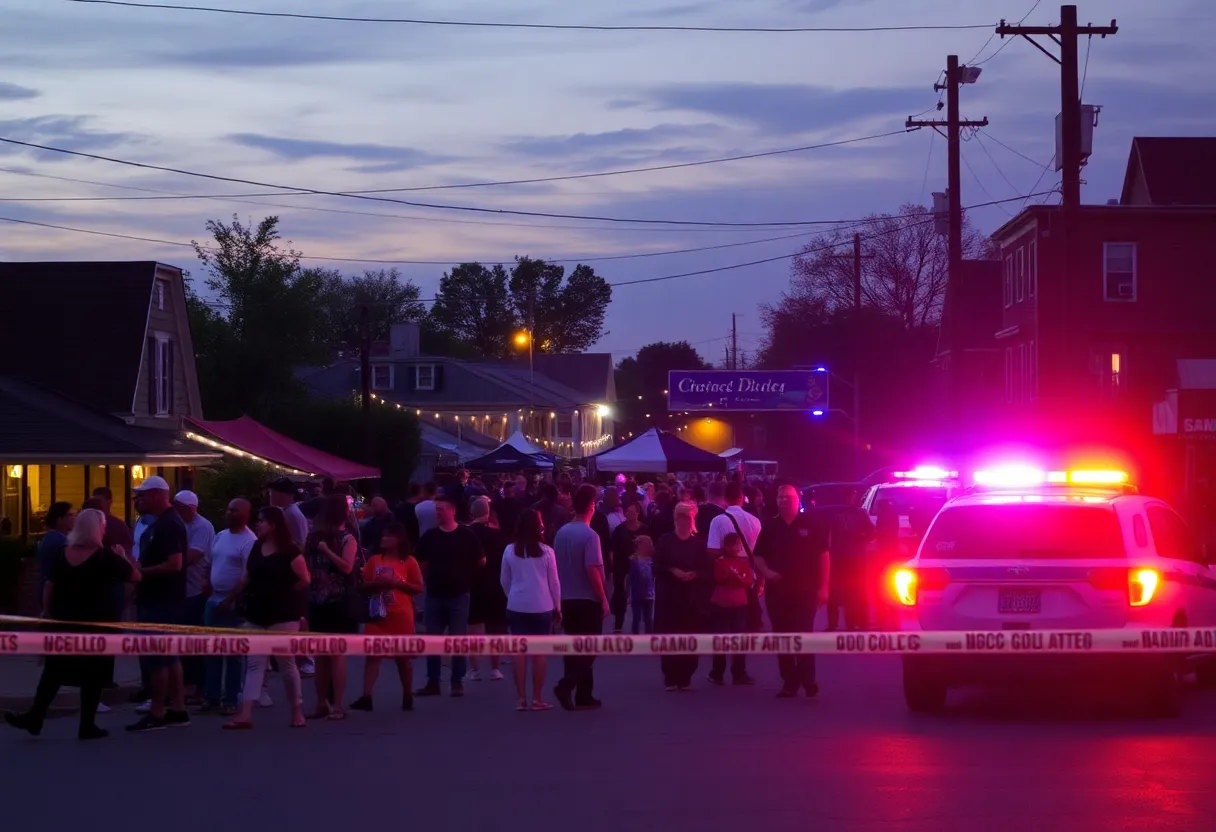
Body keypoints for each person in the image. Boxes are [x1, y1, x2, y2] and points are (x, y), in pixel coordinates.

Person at [4, 509, 140, 740]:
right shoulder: (105, 557)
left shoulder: (63, 553)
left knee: (54, 671)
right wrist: (123, 557)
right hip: (95, 622)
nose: (105, 529)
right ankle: (86, 724)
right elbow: (135, 576)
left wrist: (46, 612)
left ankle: (36, 716)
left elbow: (50, 585)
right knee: (92, 673)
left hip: (64, 620)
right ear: (97, 529)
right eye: (103, 525)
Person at [219, 506, 310, 730]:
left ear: (274, 524)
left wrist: (285, 593)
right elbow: (247, 577)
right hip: (257, 614)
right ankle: (245, 714)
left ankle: (296, 710)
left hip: (283, 616)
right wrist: (231, 598)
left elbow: (305, 579)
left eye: (261, 521)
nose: (257, 524)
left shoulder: (290, 551)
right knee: (254, 664)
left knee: (287, 665)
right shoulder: (257, 547)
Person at [126, 476, 191, 733]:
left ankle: (157, 711)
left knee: (158, 659)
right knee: (170, 658)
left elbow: (175, 564)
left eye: (142, 495)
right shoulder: (159, 524)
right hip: (159, 599)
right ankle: (178, 709)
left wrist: (141, 573)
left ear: (156, 495)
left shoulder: (169, 525)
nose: (137, 500)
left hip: (162, 601)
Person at [754, 485, 831, 698]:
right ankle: (789, 682)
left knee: (804, 634)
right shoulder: (770, 527)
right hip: (777, 593)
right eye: (780, 497)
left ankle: (808, 679)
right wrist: (767, 573)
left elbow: (823, 557)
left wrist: (824, 587)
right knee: (782, 636)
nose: (783, 501)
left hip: (805, 591)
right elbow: (758, 556)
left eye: (788, 497)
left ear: (798, 500)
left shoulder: (811, 525)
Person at [415, 492, 485, 697]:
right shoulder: (430, 536)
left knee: (458, 638)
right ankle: (433, 681)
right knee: (433, 638)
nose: (437, 513)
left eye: (441, 509)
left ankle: (457, 681)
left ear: (452, 511)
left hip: (459, 594)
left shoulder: (467, 535)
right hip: (435, 594)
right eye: (436, 509)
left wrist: (465, 574)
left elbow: (481, 560)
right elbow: (421, 563)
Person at [350, 522, 423, 712]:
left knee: (402, 658)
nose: (384, 539)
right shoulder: (375, 560)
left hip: (400, 613)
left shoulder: (408, 562)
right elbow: (363, 585)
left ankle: (407, 694)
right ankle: (367, 697)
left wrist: (398, 583)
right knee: (373, 656)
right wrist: (376, 583)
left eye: (388, 536)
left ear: (398, 539)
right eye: (383, 535)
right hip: (377, 613)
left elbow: (418, 587)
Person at [551, 484, 609, 711]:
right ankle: (566, 686)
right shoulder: (590, 535)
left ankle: (583, 694)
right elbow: (592, 569)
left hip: (566, 597)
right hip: (586, 599)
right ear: (591, 506)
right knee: (590, 648)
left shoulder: (561, 533)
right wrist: (603, 597)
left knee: (573, 647)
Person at [500, 509, 562, 711]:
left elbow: (504, 580)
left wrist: (513, 595)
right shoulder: (547, 551)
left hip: (517, 604)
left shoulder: (510, 550)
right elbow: (554, 582)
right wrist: (557, 607)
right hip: (542, 605)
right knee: (539, 654)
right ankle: (537, 698)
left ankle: (521, 698)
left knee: (519, 653)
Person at [200, 498, 256, 715]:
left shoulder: (249, 541)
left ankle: (231, 699)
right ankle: (211, 697)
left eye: (234, 510)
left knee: (232, 654)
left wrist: (230, 599)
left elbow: (246, 576)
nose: (229, 513)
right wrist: (207, 580)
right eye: (228, 509)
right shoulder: (221, 536)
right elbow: (212, 562)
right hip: (213, 598)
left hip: (232, 603)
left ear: (246, 515)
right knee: (211, 650)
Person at [305, 493, 358, 720]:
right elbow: (347, 568)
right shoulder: (347, 538)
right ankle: (335, 705)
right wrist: (328, 552)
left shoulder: (313, 537)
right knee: (334, 655)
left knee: (323, 656)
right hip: (336, 600)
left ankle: (322, 703)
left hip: (317, 600)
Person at [654, 502, 712, 691]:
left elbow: (707, 570)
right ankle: (670, 676)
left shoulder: (699, 543)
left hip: (692, 598)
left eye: (687, 517)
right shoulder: (665, 540)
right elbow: (657, 566)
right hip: (669, 598)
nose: (683, 520)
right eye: (680, 516)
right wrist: (672, 570)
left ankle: (686, 675)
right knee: (670, 637)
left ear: (692, 519)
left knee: (690, 637)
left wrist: (695, 575)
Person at [707, 480, 764, 643]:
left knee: (721, 626)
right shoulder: (755, 521)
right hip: (748, 576)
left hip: (725, 579)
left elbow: (712, 552)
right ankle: (739, 664)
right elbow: (760, 553)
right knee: (743, 625)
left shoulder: (718, 521)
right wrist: (761, 579)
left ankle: (719, 663)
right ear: (741, 498)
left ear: (725, 498)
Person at [174, 489, 215, 706]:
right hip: (181, 590)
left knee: (195, 640)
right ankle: (188, 685)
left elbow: (194, 555)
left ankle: (200, 687)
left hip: (196, 589)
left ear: (190, 508)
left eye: (180, 509)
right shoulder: (178, 523)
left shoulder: (202, 526)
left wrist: (171, 562)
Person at [466, 496, 508, 682]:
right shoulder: (497, 535)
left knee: (473, 627)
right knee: (495, 627)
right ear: (487, 513)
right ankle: (495, 668)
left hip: (472, 584)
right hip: (494, 584)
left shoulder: (465, 534)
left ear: (471, 513)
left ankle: (475, 669)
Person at [708, 532, 756, 686]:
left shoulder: (743, 563)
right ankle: (717, 672)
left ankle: (739, 672)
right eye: (736, 544)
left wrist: (737, 578)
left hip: (739, 603)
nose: (738, 547)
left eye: (739, 544)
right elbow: (719, 578)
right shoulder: (719, 562)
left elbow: (748, 580)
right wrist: (734, 577)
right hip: (721, 603)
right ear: (728, 546)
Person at [825, 489, 874, 632]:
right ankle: (845, 623)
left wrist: (862, 539)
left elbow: (871, 533)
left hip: (849, 558)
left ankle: (850, 623)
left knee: (853, 591)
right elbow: (871, 533)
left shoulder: (839, 513)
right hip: (846, 558)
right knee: (847, 591)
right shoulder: (853, 514)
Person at [608, 501, 647, 633]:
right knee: (620, 595)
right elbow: (612, 550)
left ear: (637, 512)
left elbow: (649, 549)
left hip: (639, 568)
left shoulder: (644, 529)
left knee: (640, 596)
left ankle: (639, 625)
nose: (628, 514)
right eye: (627, 511)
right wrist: (613, 566)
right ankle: (618, 624)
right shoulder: (619, 530)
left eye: (631, 511)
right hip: (621, 567)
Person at [36, 502, 75, 600]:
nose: (73, 518)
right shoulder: (59, 541)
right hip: (54, 594)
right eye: (70, 515)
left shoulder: (51, 537)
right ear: (59, 519)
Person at [267, 477, 308, 549]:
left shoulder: (292, 514)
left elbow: (300, 545)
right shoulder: (285, 510)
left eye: (272, 493)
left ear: (282, 495)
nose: (270, 496)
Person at [627, 535, 656, 634]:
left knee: (648, 619)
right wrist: (628, 593)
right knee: (636, 618)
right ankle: (635, 638)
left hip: (649, 593)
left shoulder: (652, 560)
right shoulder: (633, 561)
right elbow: (630, 578)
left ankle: (649, 638)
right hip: (636, 594)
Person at [394, 483, 424, 547]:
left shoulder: (399, 508)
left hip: (400, 542)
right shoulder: (417, 508)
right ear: (419, 493)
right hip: (413, 543)